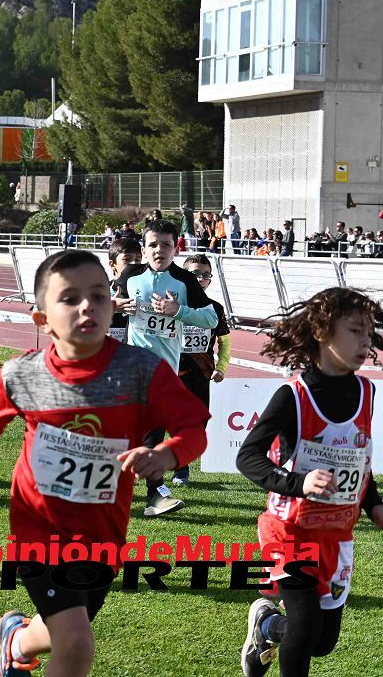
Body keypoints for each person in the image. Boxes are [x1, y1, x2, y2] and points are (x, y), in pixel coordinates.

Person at [0, 250, 209, 677]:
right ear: (42, 318)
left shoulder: (142, 371)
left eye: (99, 295)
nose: (87, 305)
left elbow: (194, 427)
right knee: (76, 643)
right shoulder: (23, 374)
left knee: (63, 630)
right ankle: (19, 642)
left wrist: (167, 454)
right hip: (37, 527)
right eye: (69, 298)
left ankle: (15, 641)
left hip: (103, 533)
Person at [236, 287, 383, 677]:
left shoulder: (368, 393)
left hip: (336, 536)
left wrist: (375, 504)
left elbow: (357, 464)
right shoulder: (294, 395)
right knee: (303, 628)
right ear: (322, 332)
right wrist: (299, 483)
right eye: (355, 330)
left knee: (322, 642)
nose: (365, 341)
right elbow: (247, 456)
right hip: (289, 531)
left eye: (369, 332)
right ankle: (279, 627)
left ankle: (266, 625)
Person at [113, 221, 220, 516]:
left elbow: (212, 320)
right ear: (144, 248)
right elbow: (108, 306)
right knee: (147, 429)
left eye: (166, 245)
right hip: (133, 367)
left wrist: (179, 312)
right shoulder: (130, 276)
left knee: (147, 431)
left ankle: (149, 492)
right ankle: (155, 494)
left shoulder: (185, 281)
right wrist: (118, 305)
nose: (159, 250)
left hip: (166, 371)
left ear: (176, 247)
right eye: (153, 245)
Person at [173, 254, 231, 487]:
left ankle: (178, 461)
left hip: (202, 373)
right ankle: (180, 470)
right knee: (174, 421)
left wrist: (222, 367)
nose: (200, 279)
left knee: (198, 425)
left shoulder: (215, 308)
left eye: (205, 275)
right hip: (175, 371)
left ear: (210, 280)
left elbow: (224, 341)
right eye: (194, 274)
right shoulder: (174, 303)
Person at [106, 237, 142, 344]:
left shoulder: (148, 291)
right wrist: (112, 307)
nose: (134, 264)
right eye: (127, 259)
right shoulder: (99, 291)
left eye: (138, 259)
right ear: (112, 265)